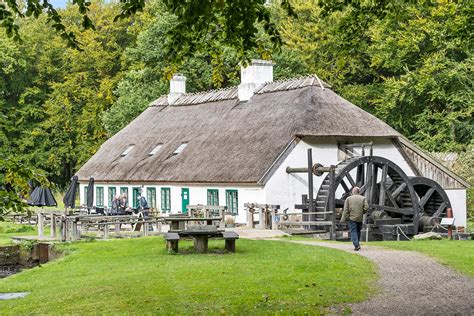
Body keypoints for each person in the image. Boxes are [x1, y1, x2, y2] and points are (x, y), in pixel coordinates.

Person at [341, 186, 368, 251]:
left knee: (353, 231)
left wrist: (343, 219)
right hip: (360, 218)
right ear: (359, 192)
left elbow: (345, 210)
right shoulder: (363, 198)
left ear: (353, 192)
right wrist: (362, 212)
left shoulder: (348, 199)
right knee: (358, 231)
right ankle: (357, 243)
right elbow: (366, 207)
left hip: (352, 218)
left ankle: (356, 245)